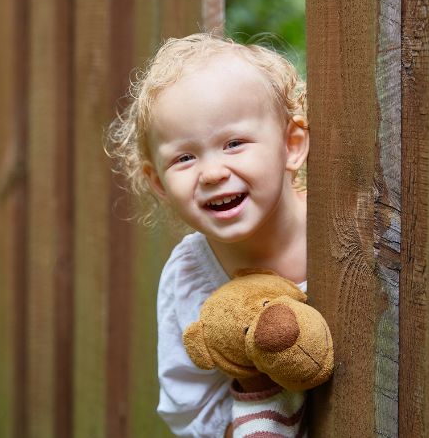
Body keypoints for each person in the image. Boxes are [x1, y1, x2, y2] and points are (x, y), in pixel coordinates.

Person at [105, 32, 310, 437]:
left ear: (291, 144)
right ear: (159, 182)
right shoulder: (188, 276)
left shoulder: (345, 232)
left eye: (234, 143)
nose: (213, 173)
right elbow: (186, 404)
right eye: (184, 158)